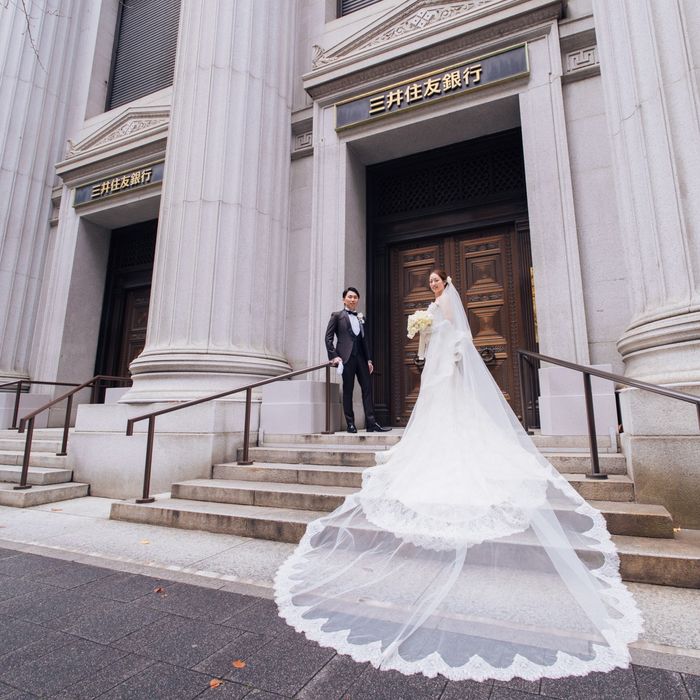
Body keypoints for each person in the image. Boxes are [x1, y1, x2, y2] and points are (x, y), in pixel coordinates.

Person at [275, 270, 641, 682]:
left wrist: (434, 335)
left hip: (444, 364)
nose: (433, 286)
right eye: (430, 283)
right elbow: (411, 333)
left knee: (446, 412)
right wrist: (421, 334)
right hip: (417, 361)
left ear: (444, 284)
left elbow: (455, 333)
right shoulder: (348, 316)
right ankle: (354, 423)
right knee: (390, 404)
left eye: (436, 282)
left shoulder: (447, 302)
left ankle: (377, 424)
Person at [325, 286, 391, 433]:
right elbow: (328, 338)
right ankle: (350, 424)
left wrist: (369, 360)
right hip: (346, 358)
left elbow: (364, 340)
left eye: (355, 297)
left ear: (358, 300)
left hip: (361, 359)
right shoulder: (336, 316)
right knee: (348, 390)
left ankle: (371, 423)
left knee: (367, 389)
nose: (353, 299)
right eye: (350, 297)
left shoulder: (361, 318)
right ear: (344, 299)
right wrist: (334, 356)